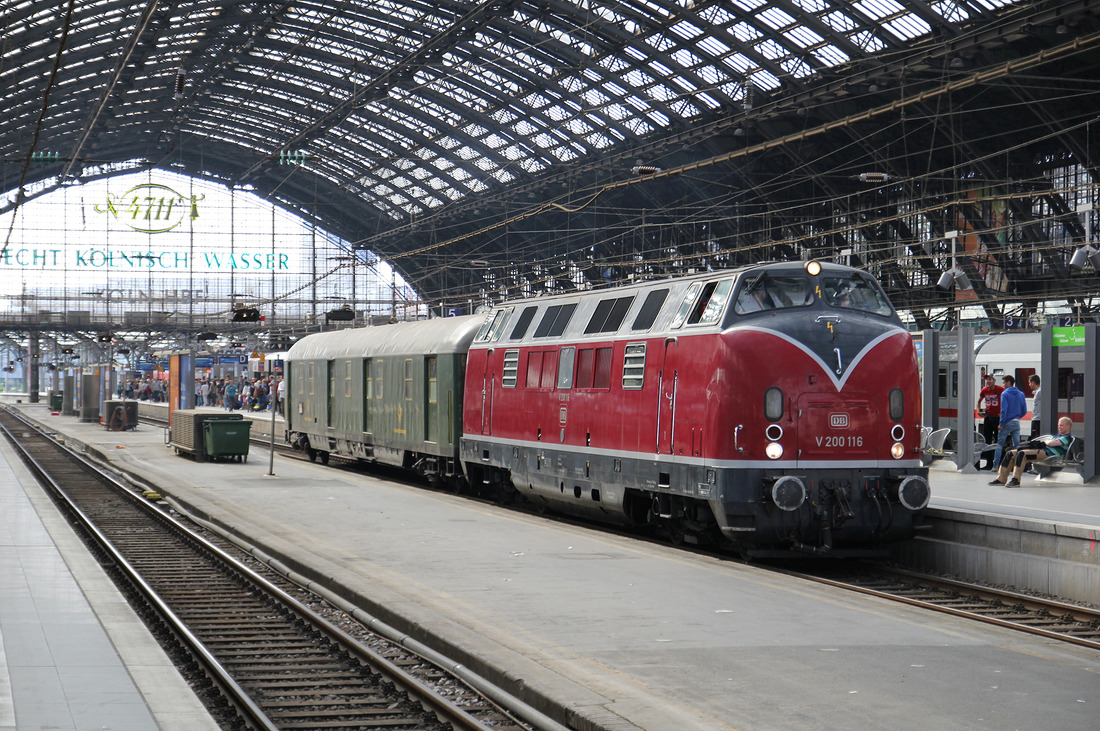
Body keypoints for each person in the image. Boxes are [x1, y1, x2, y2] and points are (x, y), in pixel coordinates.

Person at [989, 416, 1072, 487]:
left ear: (1068, 426)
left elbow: (1051, 443)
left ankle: (1016, 480)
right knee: (1010, 453)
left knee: (1022, 454)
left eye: (1061, 425)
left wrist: (1046, 442)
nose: (1059, 427)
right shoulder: (1057, 436)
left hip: (1047, 454)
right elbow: (1050, 442)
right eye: (1059, 425)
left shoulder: (1066, 438)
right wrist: (1047, 442)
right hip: (1038, 451)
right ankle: (1001, 479)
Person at [991, 374, 1026, 472]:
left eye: (1004, 382)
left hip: (1006, 422)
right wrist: (1017, 417)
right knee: (1017, 446)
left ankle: (996, 466)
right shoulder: (1021, 394)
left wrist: (1001, 424)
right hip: (1016, 422)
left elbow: (1004, 410)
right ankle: (1018, 466)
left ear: (1008, 382)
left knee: (999, 445)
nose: (1003, 385)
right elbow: (1024, 410)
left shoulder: (1004, 394)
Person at [976, 373, 1003, 449]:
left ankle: (997, 455)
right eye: (987, 379)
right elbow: (979, 401)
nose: (988, 381)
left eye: (990, 379)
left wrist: (1003, 413)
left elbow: (1007, 401)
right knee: (987, 438)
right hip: (988, 416)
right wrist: (978, 411)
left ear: (994, 380)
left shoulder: (1000, 389)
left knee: (997, 438)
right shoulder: (984, 390)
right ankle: (988, 455)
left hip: (997, 417)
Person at [1028, 374, 1042, 439]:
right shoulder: (1037, 392)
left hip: (1037, 419)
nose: (1029, 385)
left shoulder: (1040, 392)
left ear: (1033, 382)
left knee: (1036, 438)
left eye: (1029, 383)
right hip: (1037, 418)